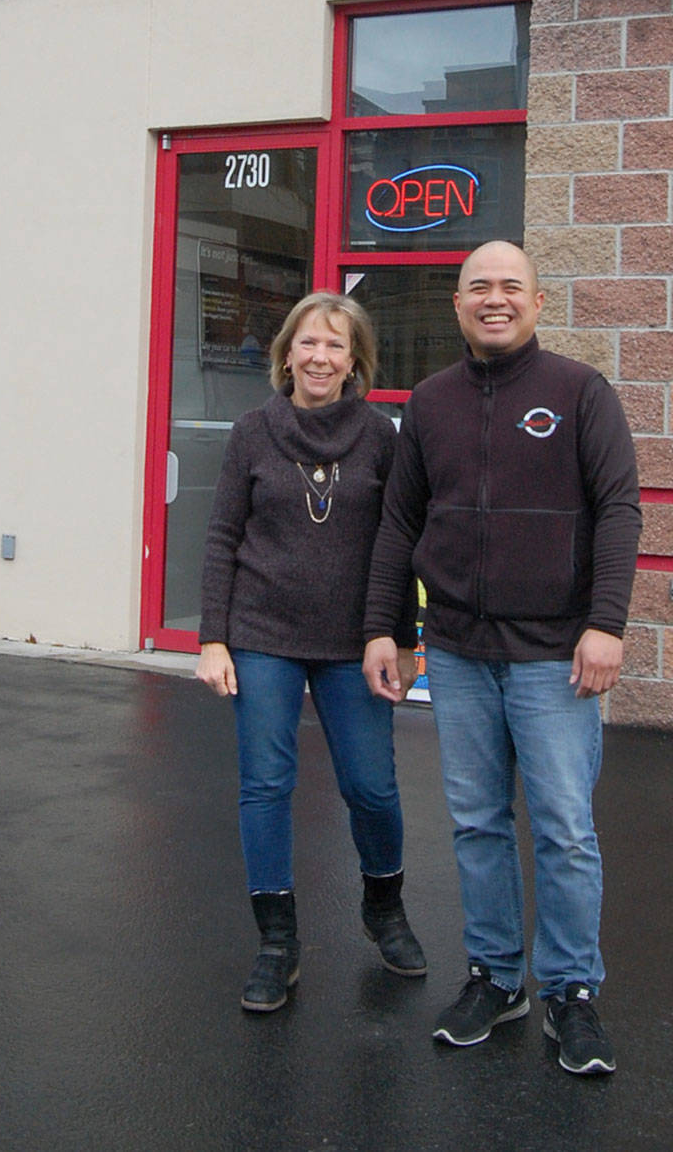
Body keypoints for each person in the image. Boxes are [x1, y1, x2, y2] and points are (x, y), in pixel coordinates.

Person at [363, 241, 640, 1076]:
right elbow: (399, 525)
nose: (494, 299)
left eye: (509, 287)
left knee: (564, 830)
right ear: (456, 303)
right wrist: (389, 630)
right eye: (477, 287)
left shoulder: (579, 393)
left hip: (555, 654)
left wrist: (607, 623)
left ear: (537, 301)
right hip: (456, 652)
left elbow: (619, 509)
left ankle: (571, 992)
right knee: (477, 823)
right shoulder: (431, 402)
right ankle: (497, 975)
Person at [197, 290, 424, 1013]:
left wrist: (406, 639)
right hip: (262, 633)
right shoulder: (252, 433)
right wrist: (212, 637)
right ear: (286, 352)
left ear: (353, 360)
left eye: (335, 345)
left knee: (371, 788)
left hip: (355, 642)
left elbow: (400, 547)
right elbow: (222, 538)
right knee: (265, 784)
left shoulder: (382, 438)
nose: (320, 356)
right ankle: (276, 942)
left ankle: (383, 908)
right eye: (308, 343)